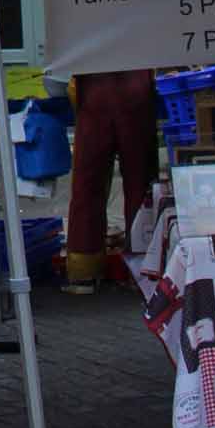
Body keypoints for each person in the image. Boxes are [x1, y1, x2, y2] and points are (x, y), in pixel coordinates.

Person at [64, 67, 160, 290]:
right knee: (141, 184)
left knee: (87, 185)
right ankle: (142, 268)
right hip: (136, 88)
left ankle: (83, 270)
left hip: (92, 87)